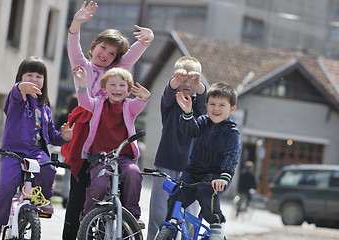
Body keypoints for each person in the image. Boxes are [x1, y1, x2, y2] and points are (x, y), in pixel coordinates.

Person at [62, 1, 154, 239]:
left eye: (112, 53)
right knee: (79, 190)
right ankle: (76, 231)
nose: (106, 55)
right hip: (86, 129)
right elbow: (73, 45)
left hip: (111, 132)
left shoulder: (115, 74)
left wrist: (145, 41)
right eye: (103, 48)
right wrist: (76, 24)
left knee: (119, 181)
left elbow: (130, 59)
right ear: (94, 47)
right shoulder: (82, 66)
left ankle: (116, 226)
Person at [0, 56, 74, 240]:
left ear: (44, 81)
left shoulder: (45, 108)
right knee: (6, 186)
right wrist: (19, 88)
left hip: (35, 152)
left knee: (48, 167)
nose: (34, 79)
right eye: (29, 75)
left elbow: (51, 136)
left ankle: (42, 199)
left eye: (38, 76)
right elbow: (16, 92)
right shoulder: (16, 100)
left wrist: (64, 137)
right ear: (20, 77)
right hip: (13, 152)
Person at [72, 66, 150, 226]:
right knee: (99, 184)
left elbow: (140, 103)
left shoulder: (129, 106)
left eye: (122, 86)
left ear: (128, 90)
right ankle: (89, 217)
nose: (117, 89)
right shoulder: (98, 104)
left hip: (124, 157)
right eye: (112, 85)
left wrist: (144, 97)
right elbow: (83, 101)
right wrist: (83, 84)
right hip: (101, 159)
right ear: (104, 88)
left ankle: (132, 216)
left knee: (133, 173)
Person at [167, 82, 241, 240]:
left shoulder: (231, 132)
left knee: (206, 194)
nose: (216, 108)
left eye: (222, 105)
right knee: (176, 196)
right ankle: (170, 226)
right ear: (206, 105)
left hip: (215, 176)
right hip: (193, 172)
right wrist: (187, 112)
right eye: (212, 104)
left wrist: (224, 176)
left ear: (232, 109)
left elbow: (231, 155)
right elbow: (189, 130)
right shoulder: (202, 121)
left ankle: (216, 224)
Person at [147, 56, 207, 240]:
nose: (187, 84)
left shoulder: (199, 108)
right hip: (166, 163)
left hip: (192, 168)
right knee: (158, 212)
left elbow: (204, 99)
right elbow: (167, 93)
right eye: (183, 81)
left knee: (188, 215)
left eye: (192, 81)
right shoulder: (170, 104)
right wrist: (176, 80)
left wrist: (200, 84)